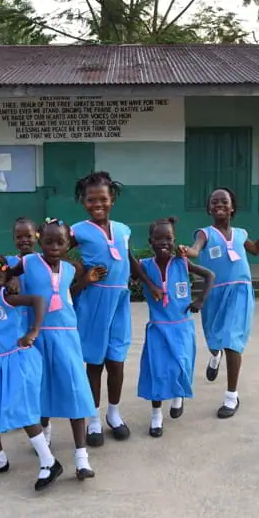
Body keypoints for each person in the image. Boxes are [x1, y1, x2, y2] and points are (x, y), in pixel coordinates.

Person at [70, 171, 162, 447]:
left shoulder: (123, 229)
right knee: (95, 363)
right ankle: (94, 420)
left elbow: (130, 259)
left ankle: (114, 413)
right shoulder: (77, 230)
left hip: (119, 299)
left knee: (117, 359)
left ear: (112, 200)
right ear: (83, 202)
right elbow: (55, 251)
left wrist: (149, 283)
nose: (97, 204)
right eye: (90, 199)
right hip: (94, 301)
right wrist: (81, 274)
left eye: (103, 199)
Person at [178, 188, 259, 419]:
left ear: (232, 207)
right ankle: (215, 355)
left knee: (232, 341)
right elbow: (196, 249)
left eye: (224, 201)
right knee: (215, 340)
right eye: (214, 202)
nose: (219, 204)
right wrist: (188, 251)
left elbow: (256, 250)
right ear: (209, 209)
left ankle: (231, 396)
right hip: (214, 293)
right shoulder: (205, 233)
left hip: (240, 291)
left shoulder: (241, 233)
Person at [7, 218, 97, 479]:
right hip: (38, 334)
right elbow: (6, 273)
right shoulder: (28, 262)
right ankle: (45, 434)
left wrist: (88, 278)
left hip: (67, 334)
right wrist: (11, 281)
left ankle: (82, 458)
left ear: (69, 243)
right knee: (41, 386)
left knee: (75, 388)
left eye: (60, 242)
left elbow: (73, 288)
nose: (54, 246)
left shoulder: (71, 268)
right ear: (39, 240)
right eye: (48, 241)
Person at [0, 253, 62, 491]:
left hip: (18, 360)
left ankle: (49, 461)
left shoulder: (6, 297)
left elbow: (38, 300)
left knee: (22, 410)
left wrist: (34, 331)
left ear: (5, 278)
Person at [138, 217, 215, 437]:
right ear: (150, 241)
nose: (164, 242)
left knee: (181, 366)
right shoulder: (145, 266)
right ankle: (156, 416)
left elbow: (210, 275)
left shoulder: (182, 262)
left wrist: (200, 300)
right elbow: (129, 262)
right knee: (157, 372)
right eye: (158, 238)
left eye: (169, 238)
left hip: (181, 326)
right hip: (158, 328)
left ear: (175, 240)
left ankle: (178, 395)